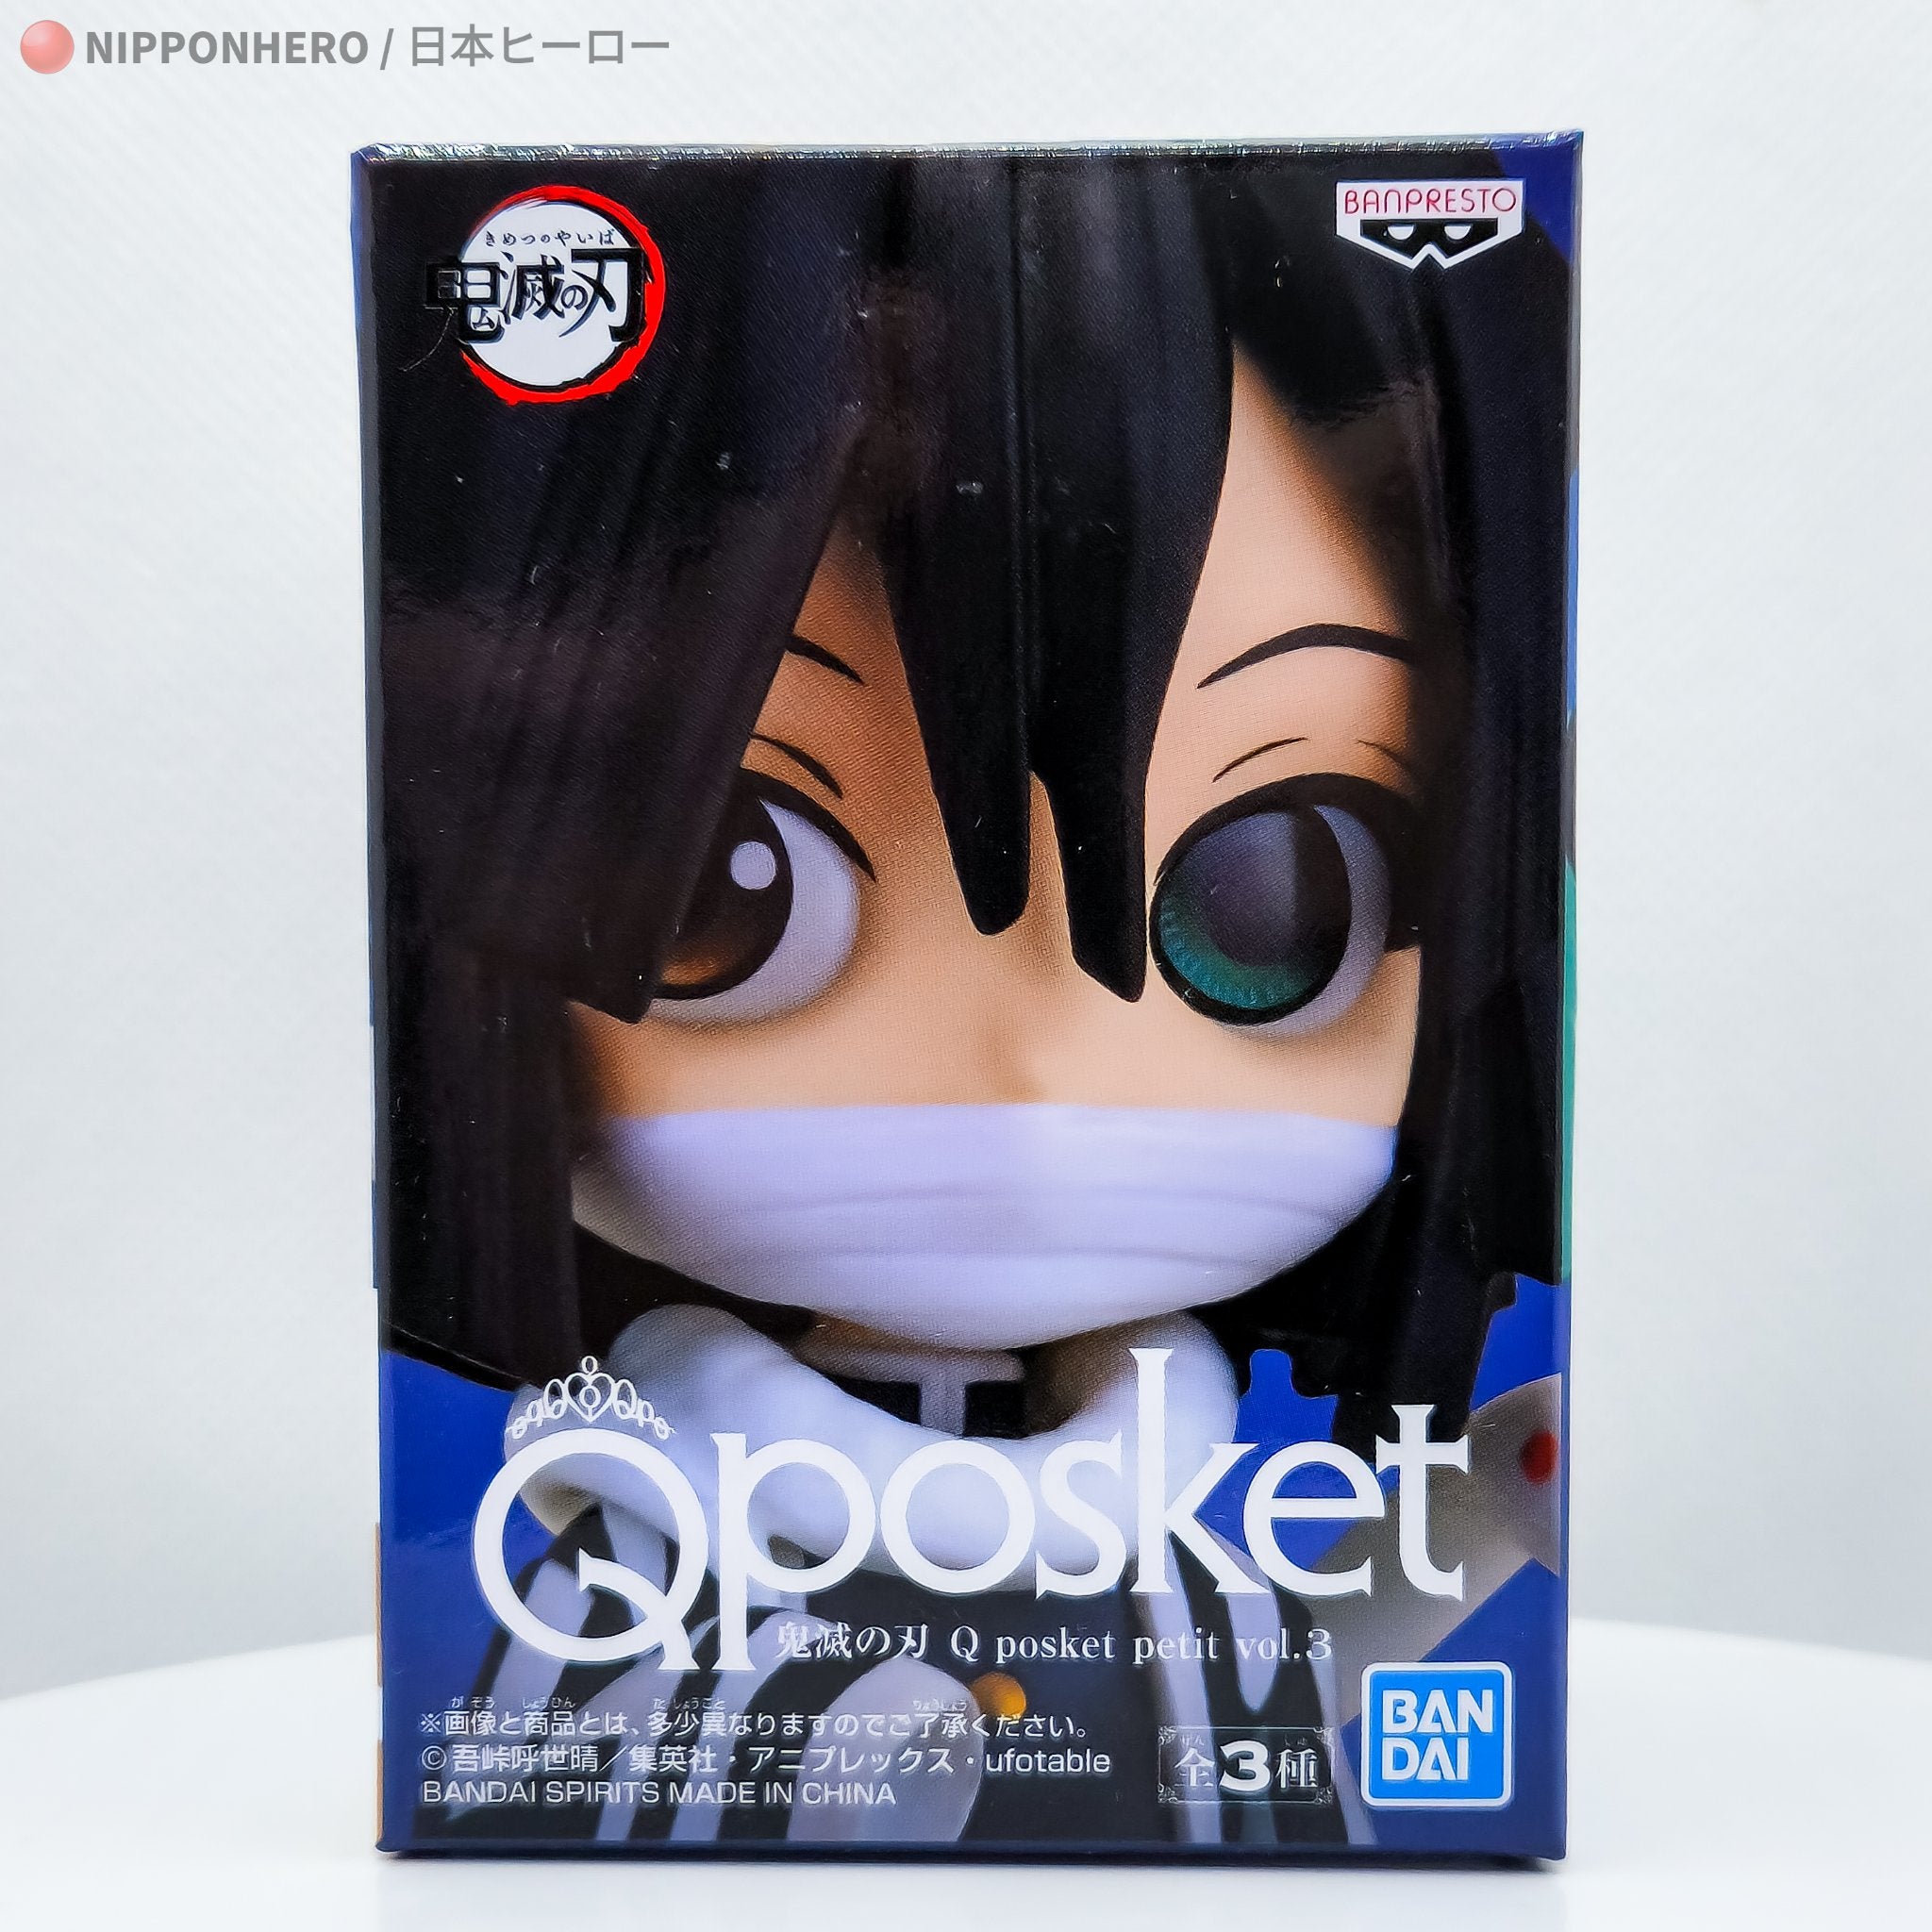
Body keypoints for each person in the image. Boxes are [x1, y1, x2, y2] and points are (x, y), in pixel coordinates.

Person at [368, 149, 1573, 1847]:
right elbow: (528, 1762)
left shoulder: (1169, 1506)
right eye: (727, 884)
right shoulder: (639, 1515)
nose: (1034, 1062)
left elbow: (1278, 1710)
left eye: (1262, 906)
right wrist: (818, 1758)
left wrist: (1490, 1514)